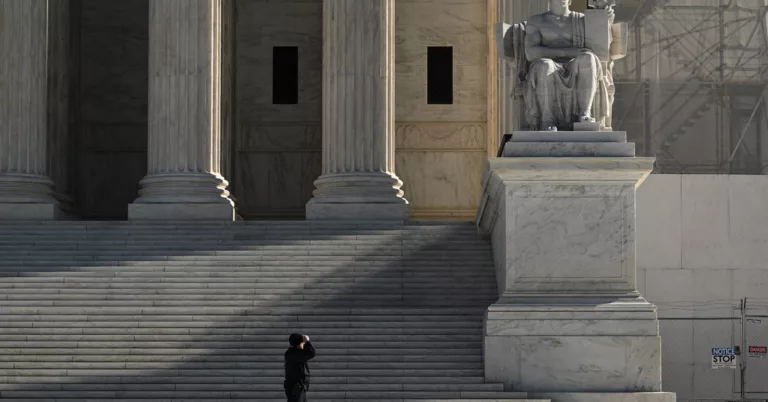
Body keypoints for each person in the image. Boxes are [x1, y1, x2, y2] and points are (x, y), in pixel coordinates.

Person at [284, 333, 316, 402]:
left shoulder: (293, 353)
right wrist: (307, 341)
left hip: (298, 387)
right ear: (299, 343)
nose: (304, 344)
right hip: (296, 388)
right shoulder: (295, 354)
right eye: (303, 343)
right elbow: (311, 353)